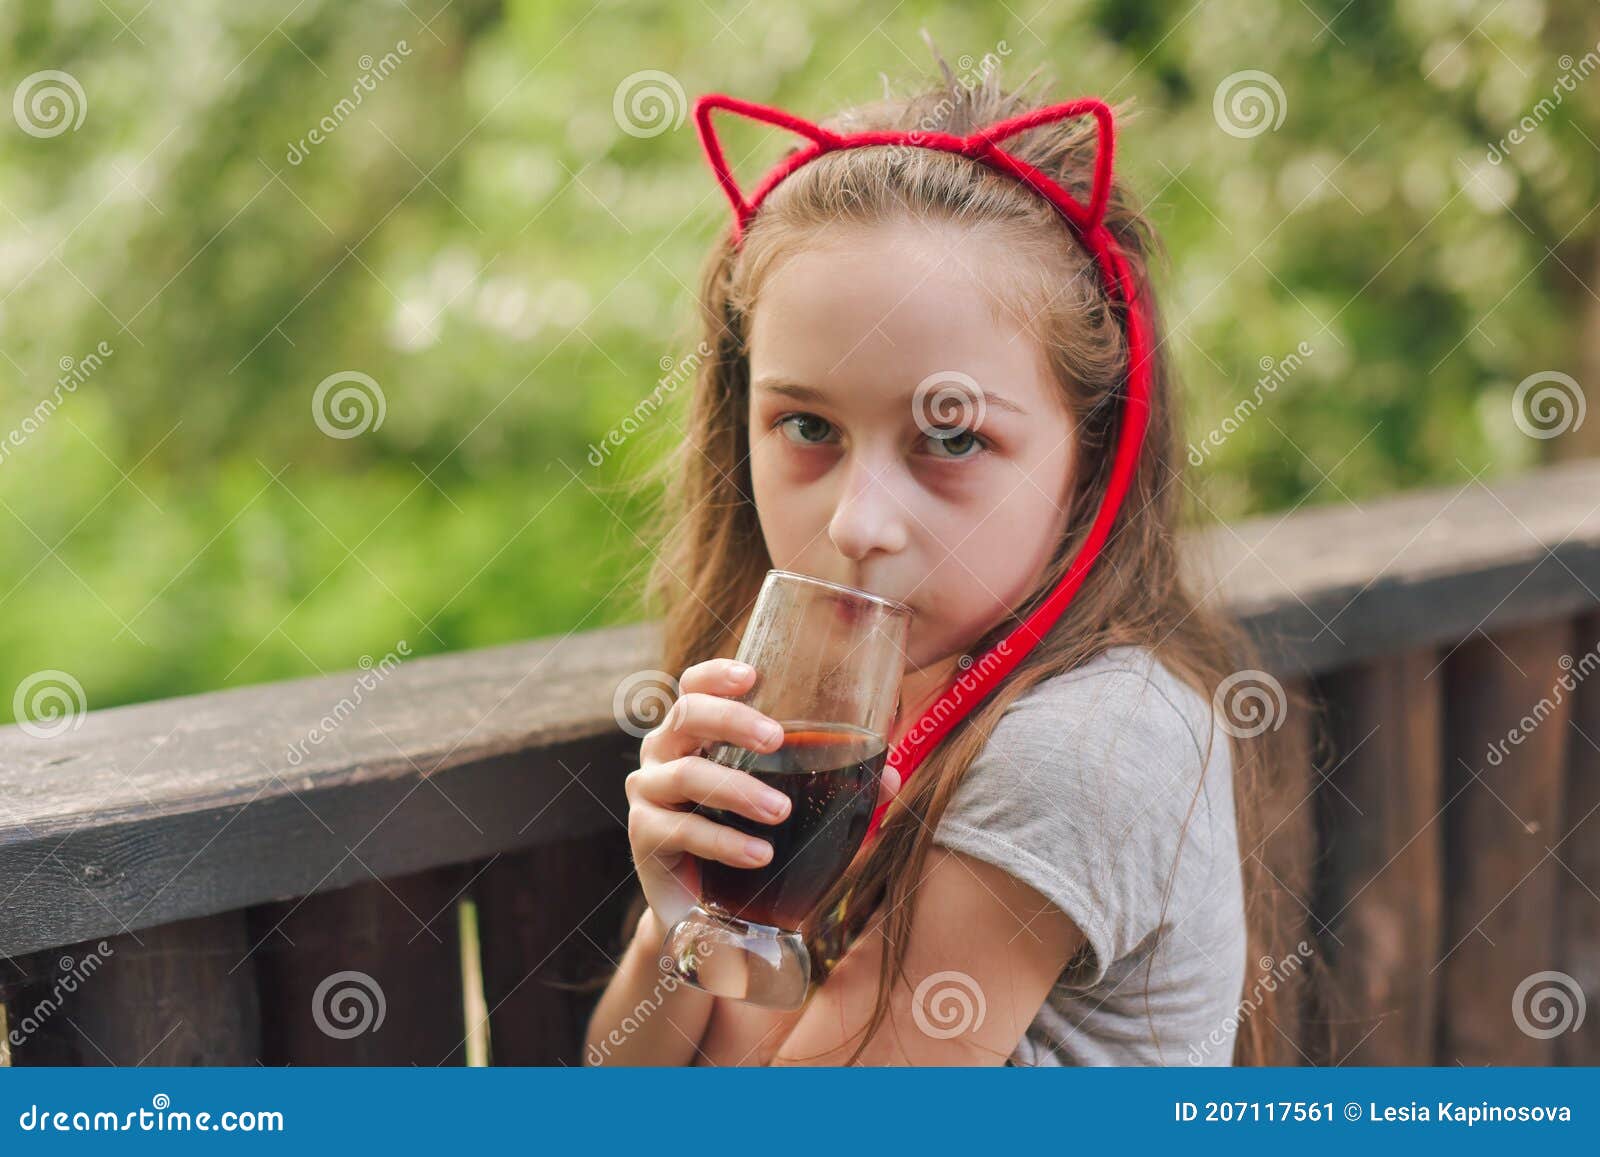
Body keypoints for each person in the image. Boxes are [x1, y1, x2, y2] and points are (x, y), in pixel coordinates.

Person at [585, 45, 1317, 1066]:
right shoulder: (818, 705)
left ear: (1090, 451)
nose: (857, 522)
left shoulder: (1084, 744)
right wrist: (684, 926)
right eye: (806, 426)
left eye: (954, 438)